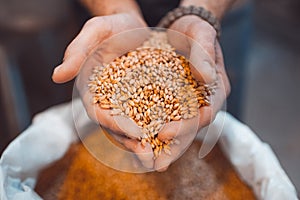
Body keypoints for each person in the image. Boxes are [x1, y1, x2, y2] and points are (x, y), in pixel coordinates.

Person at [52, 0, 240, 171]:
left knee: (224, 137)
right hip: (101, 10)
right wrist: (113, 8)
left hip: (221, 11)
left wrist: (204, 11)